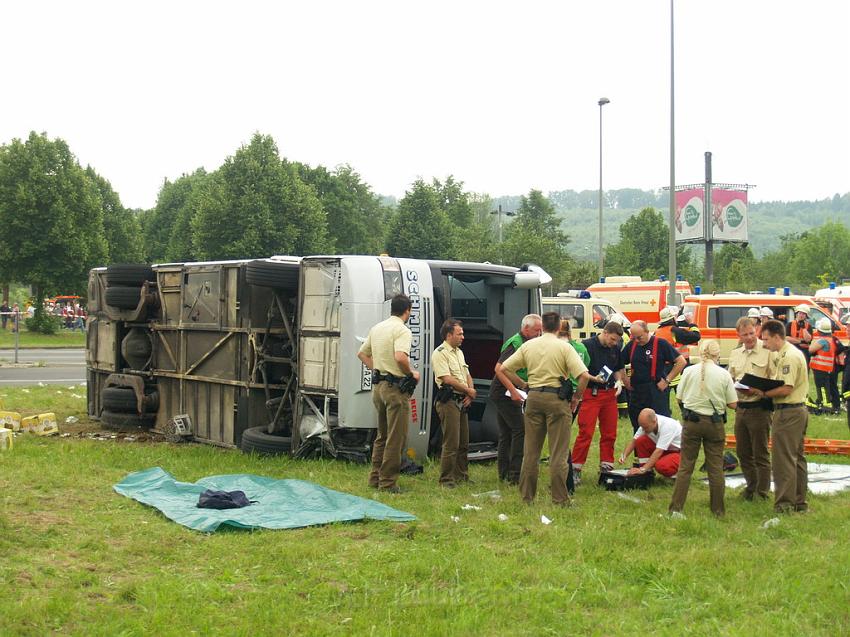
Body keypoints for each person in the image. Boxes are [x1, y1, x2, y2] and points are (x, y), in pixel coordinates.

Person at [496, 311, 592, 505]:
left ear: (543, 327)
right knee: (558, 452)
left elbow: (504, 369)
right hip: (556, 399)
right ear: (558, 328)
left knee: (531, 452)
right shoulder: (564, 347)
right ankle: (559, 498)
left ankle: (526, 497)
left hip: (533, 398)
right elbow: (584, 376)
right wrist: (576, 398)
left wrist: (523, 385)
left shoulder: (528, 345)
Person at [356, 294, 420, 493]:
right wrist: (412, 373)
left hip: (379, 387)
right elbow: (400, 357)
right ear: (407, 310)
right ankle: (388, 483)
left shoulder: (378, 328)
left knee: (382, 436)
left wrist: (377, 369)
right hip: (395, 390)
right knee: (396, 437)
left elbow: (362, 353)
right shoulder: (402, 330)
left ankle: (375, 478)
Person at [669, 340, 737, 517]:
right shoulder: (723, 374)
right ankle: (718, 510)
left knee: (685, 467)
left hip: (692, 421)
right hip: (714, 424)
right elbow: (732, 404)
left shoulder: (689, 371)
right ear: (717, 354)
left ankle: (676, 508)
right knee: (715, 468)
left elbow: (679, 398)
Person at [752, 319, 810, 514]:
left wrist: (764, 393)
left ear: (777, 337)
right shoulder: (786, 354)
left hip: (789, 412)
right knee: (796, 457)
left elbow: (786, 388)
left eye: (766, 339)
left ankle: (784, 504)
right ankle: (799, 502)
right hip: (795, 411)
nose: (764, 344)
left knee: (783, 459)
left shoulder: (789, 357)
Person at [490, 314, 542, 484]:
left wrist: (522, 384)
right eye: (536, 330)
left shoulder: (525, 342)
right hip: (502, 392)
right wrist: (513, 390)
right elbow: (499, 369)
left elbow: (512, 371)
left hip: (508, 390)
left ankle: (503, 473)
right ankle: (515, 475)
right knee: (520, 429)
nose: (539, 333)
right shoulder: (515, 343)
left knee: (505, 433)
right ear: (525, 328)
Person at [728, 316, 775, 500]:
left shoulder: (767, 351)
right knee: (743, 452)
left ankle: (762, 492)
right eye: (745, 334)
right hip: (741, 408)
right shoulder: (735, 354)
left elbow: (774, 379)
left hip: (759, 408)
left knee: (760, 452)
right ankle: (751, 487)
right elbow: (730, 378)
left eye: (751, 333)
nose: (749, 337)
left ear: (756, 330)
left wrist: (759, 390)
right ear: (738, 334)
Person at [571, 321, 625, 483]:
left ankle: (606, 466)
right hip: (591, 393)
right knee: (586, 432)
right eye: (613, 339)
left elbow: (617, 368)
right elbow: (579, 371)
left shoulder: (614, 348)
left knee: (610, 432)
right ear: (605, 333)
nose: (614, 343)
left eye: (616, 341)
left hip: (609, 394)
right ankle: (576, 468)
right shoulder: (587, 346)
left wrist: (619, 382)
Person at [431, 318, 475, 488]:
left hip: (461, 400)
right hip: (448, 401)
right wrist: (468, 391)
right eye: (460, 334)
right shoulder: (440, 353)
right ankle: (446, 479)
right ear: (449, 335)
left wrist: (470, 393)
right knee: (451, 443)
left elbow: (467, 374)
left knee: (463, 442)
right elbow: (447, 378)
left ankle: (461, 475)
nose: (463, 337)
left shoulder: (459, 352)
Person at [621, 320, 686, 433]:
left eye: (639, 337)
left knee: (660, 426)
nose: (637, 340)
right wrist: (625, 380)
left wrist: (667, 380)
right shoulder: (632, 345)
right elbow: (619, 362)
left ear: (647, 331)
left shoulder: (661, 344)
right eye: (634, 337)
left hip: (656, 390)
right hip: (637, 391)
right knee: (638, 427)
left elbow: (681, 362)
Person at [617, 408, 682, 478]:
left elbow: (659, 451)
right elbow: (634, 441)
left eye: (646, 427)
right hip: (666, 449)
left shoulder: (668, 426)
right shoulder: (647, 423)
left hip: (680, 453)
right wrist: (624, 456)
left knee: (661, 466)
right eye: (642, 427)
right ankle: (647, 473)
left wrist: (642, 469)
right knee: (640, 441)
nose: (643, 430)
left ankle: (677, 474)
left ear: (654, 421)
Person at [655, 307, 700, 378]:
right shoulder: (674, 331)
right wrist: (691, 323)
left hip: (663, 368)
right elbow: (696, 336)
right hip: (677, 368)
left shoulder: (657, 331)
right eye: (675, 317)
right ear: (672, 319)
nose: (677, 318)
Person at [808, 318, 837, 415]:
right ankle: (823, 403)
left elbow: (811, 350)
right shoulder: (830, 339)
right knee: (823, 387)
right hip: (826, 368)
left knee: (822, 388)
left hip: (821, 368)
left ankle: (825, 406)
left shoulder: (822, 341)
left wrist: (812, 342)